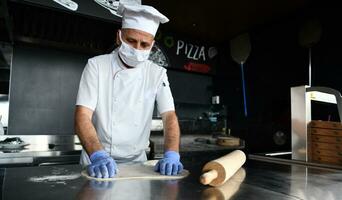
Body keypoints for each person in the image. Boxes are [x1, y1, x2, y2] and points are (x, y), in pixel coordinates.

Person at [74, 3, 183, 179]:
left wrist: (172, 153)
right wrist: (97, 155)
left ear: (152, 45)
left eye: (144, 44)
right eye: (131, 40)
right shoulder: (96, 66)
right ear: (119, 36)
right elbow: (82, 115)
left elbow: (169, 116)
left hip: (137, 164)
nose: (137, 49)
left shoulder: (157, 73)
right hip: (97, 162)